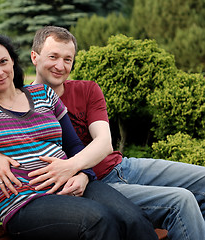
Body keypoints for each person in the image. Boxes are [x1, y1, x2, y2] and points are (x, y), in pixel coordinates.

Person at [0, 32, 158, 240]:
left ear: (13, 62)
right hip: (26, 201)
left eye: (3, 62)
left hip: (71, 183)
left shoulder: (43, 94)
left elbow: (73, 145)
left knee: (134, 219)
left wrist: (84, 174)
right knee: (98, 221)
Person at [29, 26, 205, 240]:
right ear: (34, 57)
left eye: (68, 59)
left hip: (122, 167)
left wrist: (73, 166)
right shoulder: (22, 105)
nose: (60, 66)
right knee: (182, 201)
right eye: (53, 56)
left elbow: (104, 143)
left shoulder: (87, 89)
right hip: (97, 187)